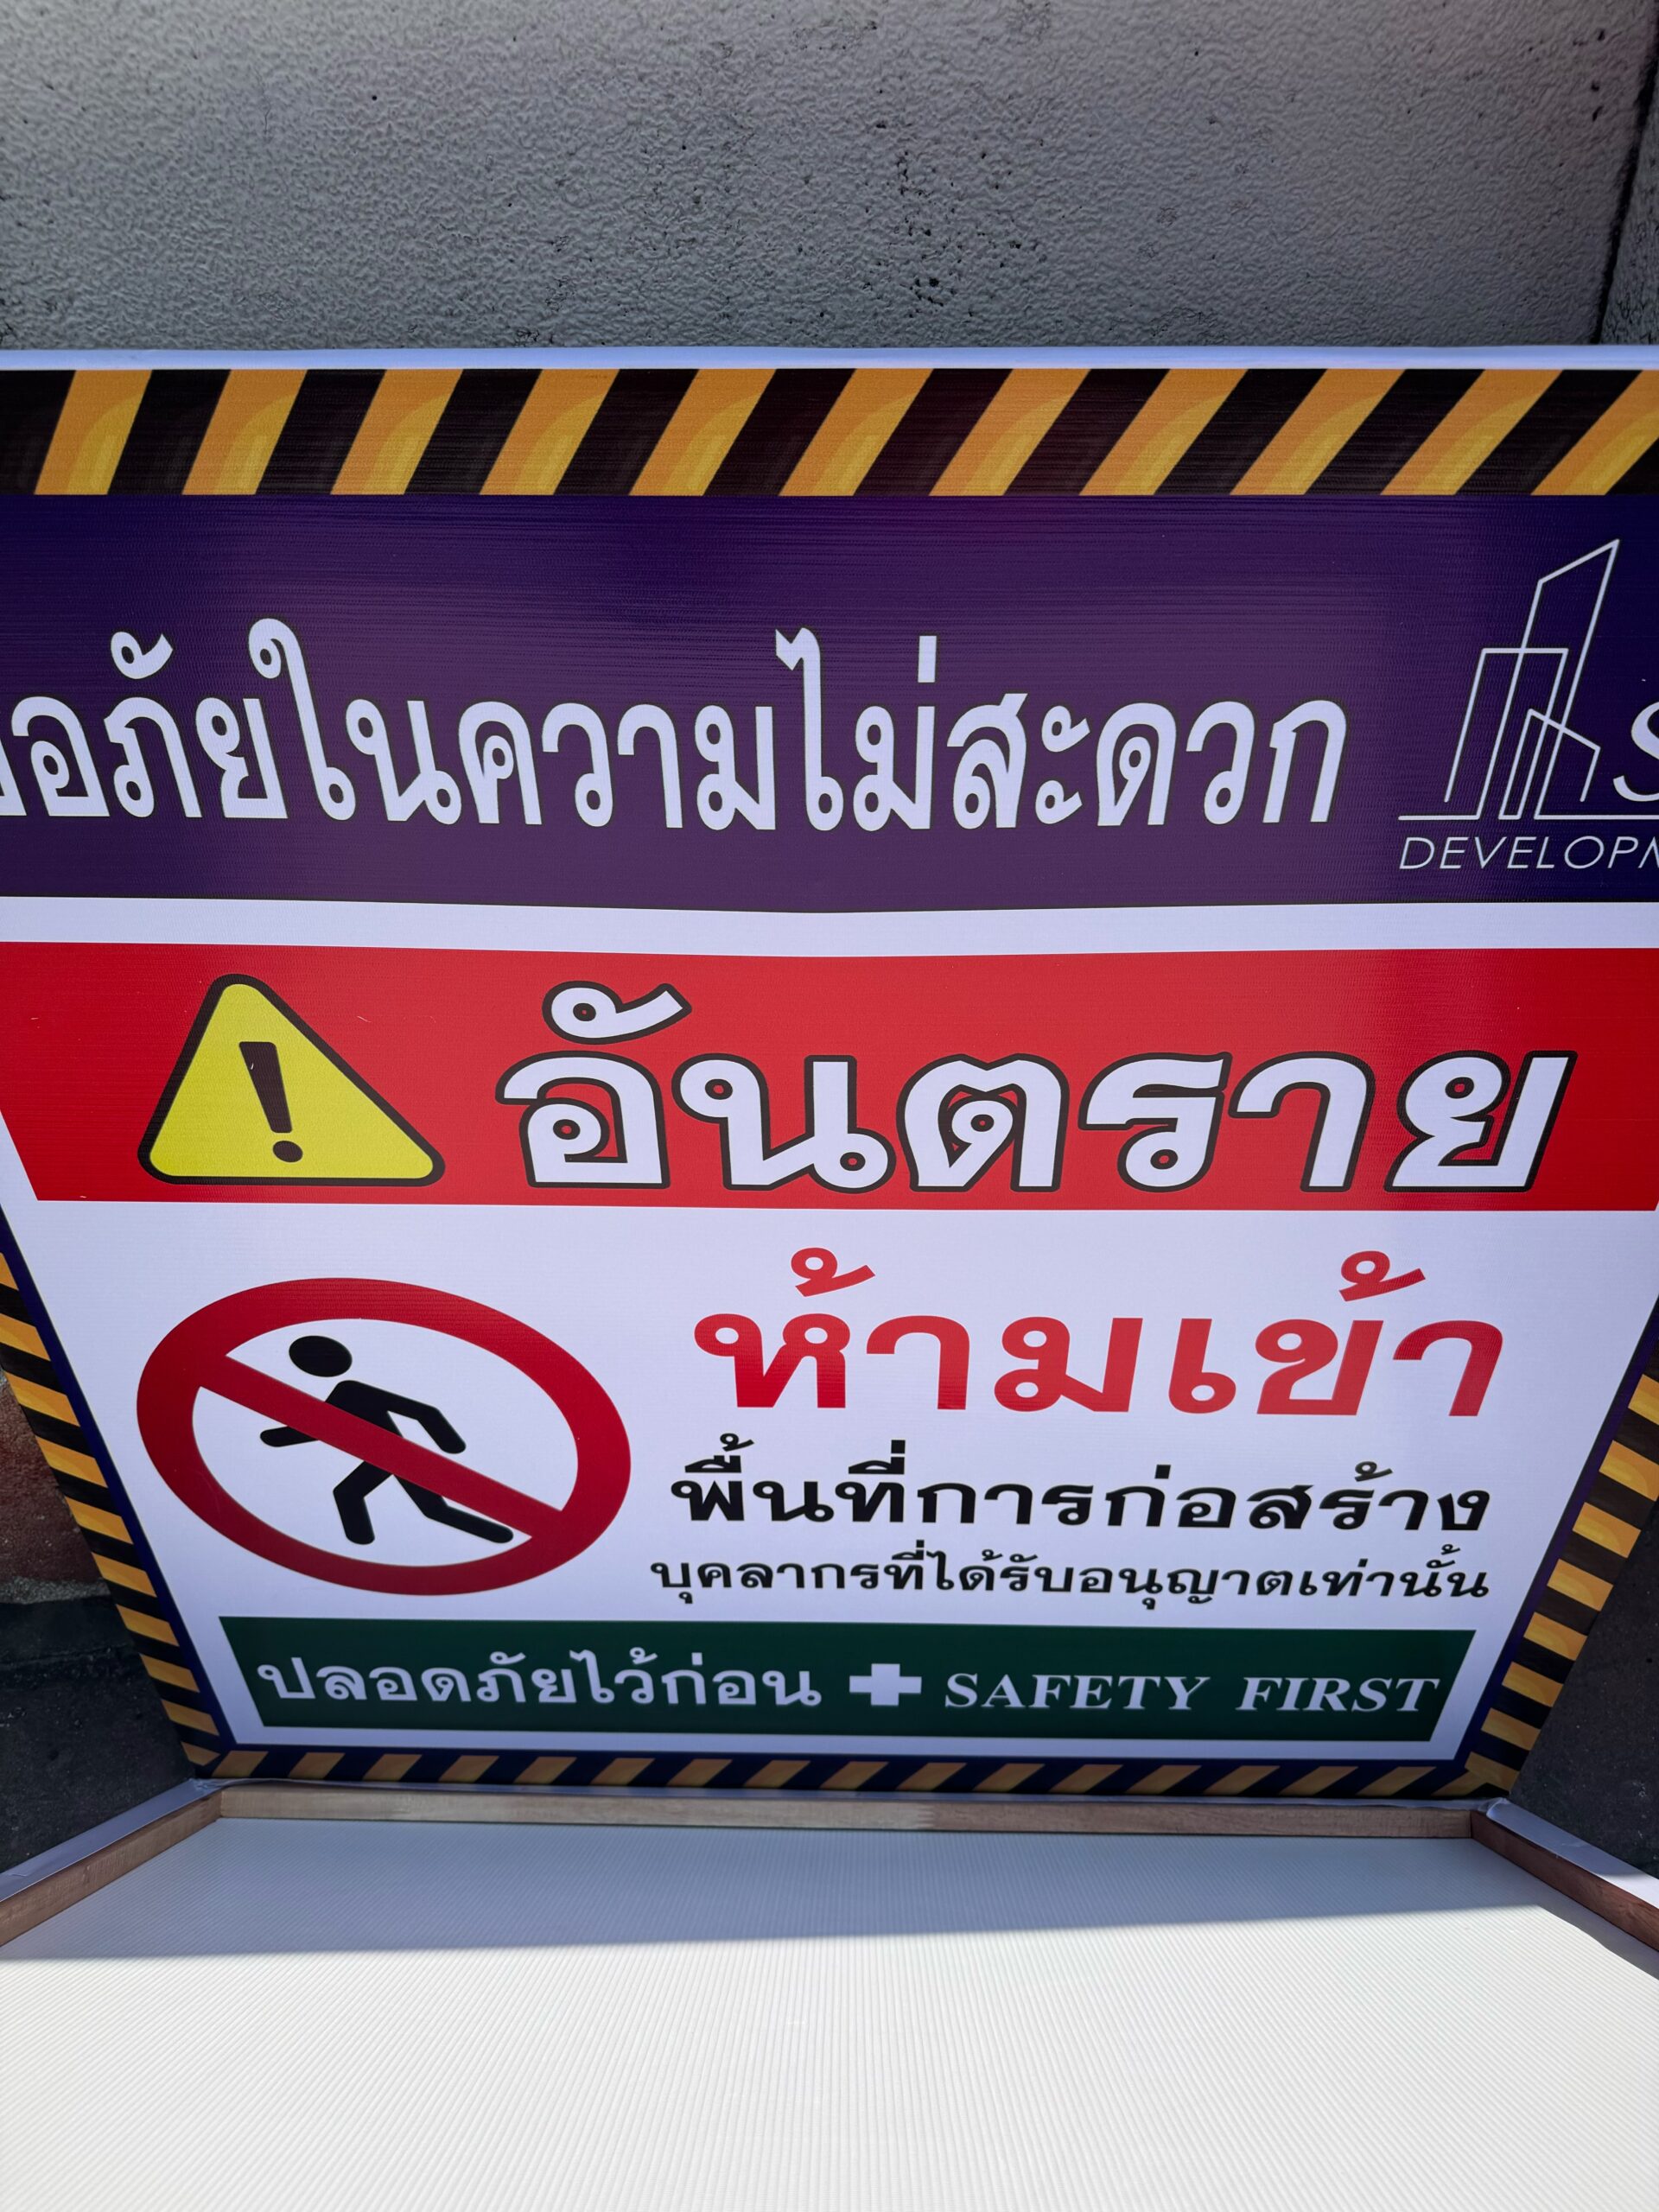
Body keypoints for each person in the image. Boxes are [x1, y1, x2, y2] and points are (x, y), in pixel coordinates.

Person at [259, 1334, 512, 1547]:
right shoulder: (345, 1394)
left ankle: (505, 1535)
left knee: (423, 1507)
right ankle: (359, 1545)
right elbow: (318, 1429)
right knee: (361, 1496)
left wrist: (450, 1443)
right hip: (383, 1458)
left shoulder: (350, 1391)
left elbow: (424, 1412)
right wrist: (275, 1437)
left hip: (397, 1455)